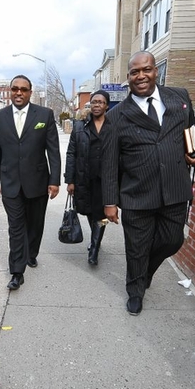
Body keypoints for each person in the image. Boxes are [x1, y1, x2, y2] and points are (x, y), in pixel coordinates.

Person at [102, 51, 195, 316]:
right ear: (128, 77)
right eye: (135, 72)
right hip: (137, 193)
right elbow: (109, 163)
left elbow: (191, 131)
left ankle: (145, 272)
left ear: (156, 71)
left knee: (173, 241)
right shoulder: (117, 116)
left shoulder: (179, 98)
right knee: (136, 247)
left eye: (146, 69)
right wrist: (109, 202)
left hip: (174, 188)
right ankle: (135, 290)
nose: (141, 76)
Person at [0, 75, 61, 290]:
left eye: (23, 89)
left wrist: (54, 180)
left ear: (30, 92)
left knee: (35, 224)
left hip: (38, 182)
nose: (18, 93)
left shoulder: (44, 115)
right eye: (15, 89)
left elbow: (53, 151)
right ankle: (17, 272)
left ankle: (32, 252)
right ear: (10, 91)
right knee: (16, 227)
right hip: (10, 183)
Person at [65, 90, 111, 265]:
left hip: (105, 181)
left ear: (106, 105)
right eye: (94, 102)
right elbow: (71, 153)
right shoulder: (79, 126)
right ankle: (96, 238)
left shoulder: (113, 126)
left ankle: (94, 248)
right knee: (88, 212)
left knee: (102, 215)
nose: (97, 105)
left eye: (100, 102)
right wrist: (70, 180)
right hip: (84, 178)